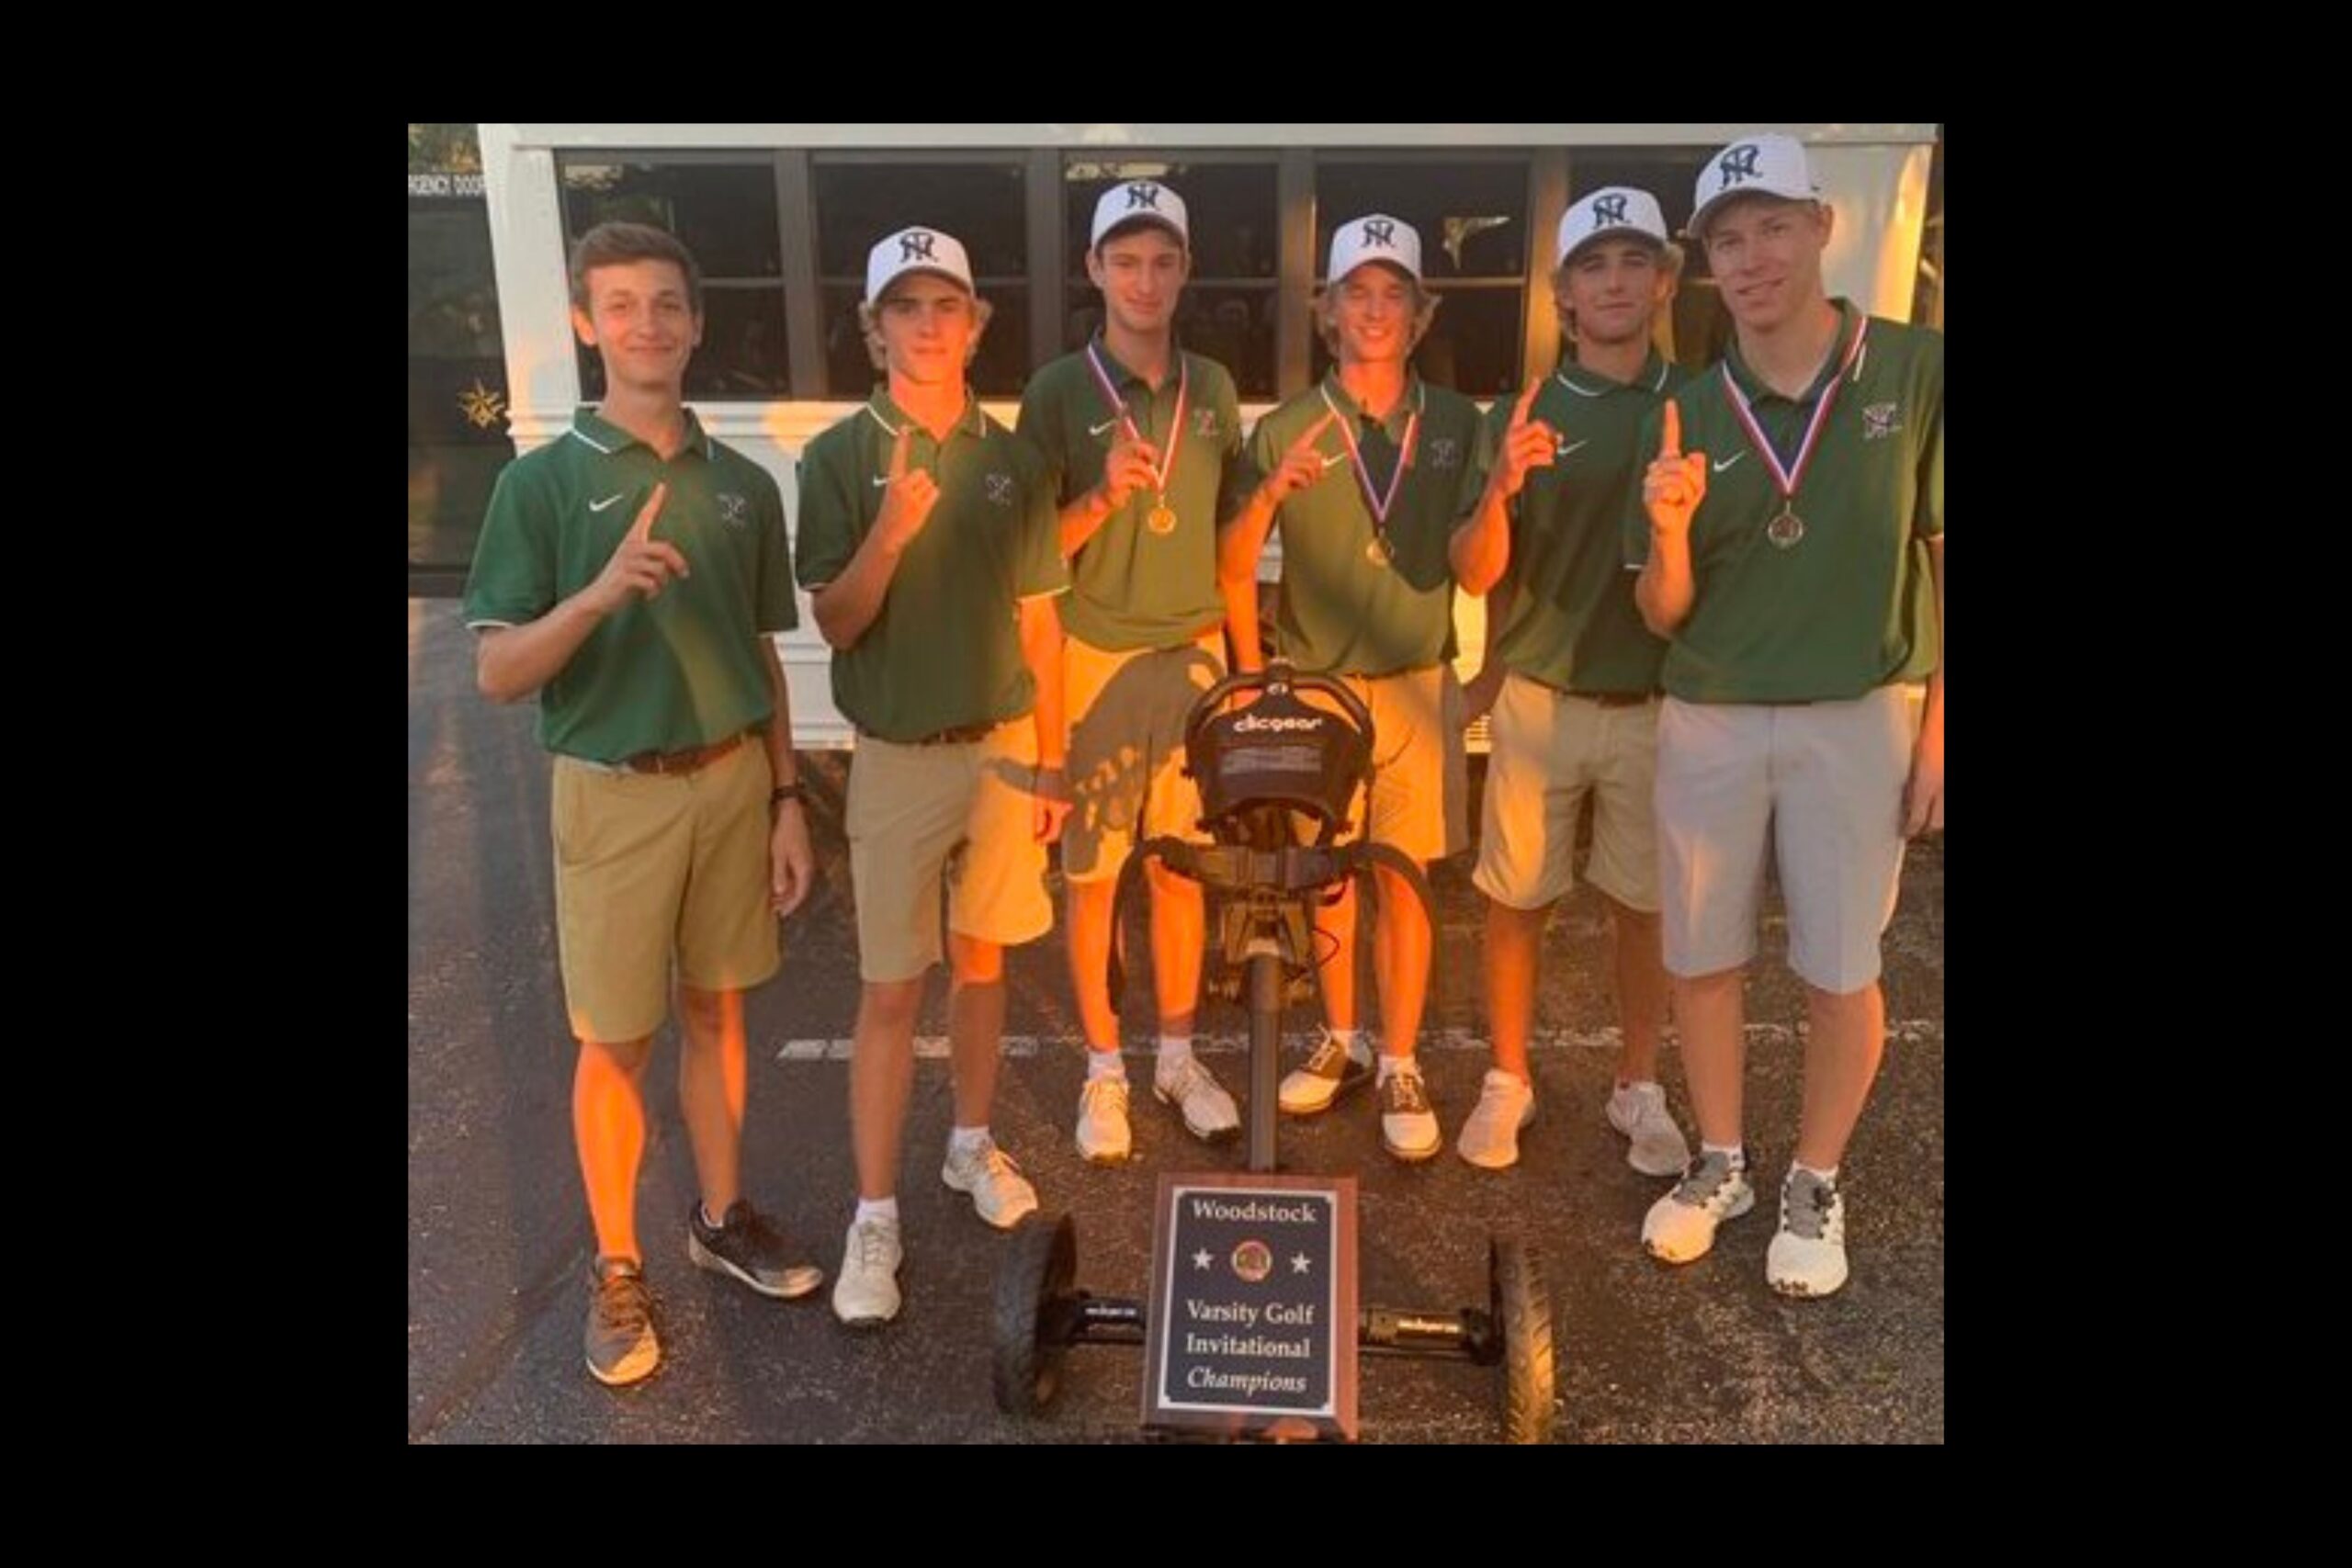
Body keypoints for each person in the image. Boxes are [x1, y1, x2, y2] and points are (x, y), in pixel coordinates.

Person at [463, 220, 821, 1387]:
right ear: (586, 324)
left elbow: (760, 656)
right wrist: (597, 596)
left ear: (697, 322)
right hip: (612, 792)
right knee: (615, 1040)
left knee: (716, 1012)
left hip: (729, 781)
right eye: (620, 305)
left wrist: (785, 798)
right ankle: (617, 1268)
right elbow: (497, 671)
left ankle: (719, 1217)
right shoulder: (540, 483)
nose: (647, 324)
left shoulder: (739, 486)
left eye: (667, 303)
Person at [1629, 134, 1943, 1297]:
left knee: (1839, 968)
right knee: (1702, 956)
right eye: (1727, 239)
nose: (1752, 257)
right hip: (1709, 712)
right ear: (1705, 264)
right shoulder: (1687, 405)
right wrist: (1668, 532)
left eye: (1771, 227)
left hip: (1854, 713)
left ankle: (1814, 1178)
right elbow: (1661, 613)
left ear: (1820, 227)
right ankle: (1720, 1159)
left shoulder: (1913, 368)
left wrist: (1939, 735)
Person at [794, 225, 1074, 1327]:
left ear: (973, 324)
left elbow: (1041, 624)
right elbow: (837, 621)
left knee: (984, 960)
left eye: (944, 305)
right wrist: (889, 535)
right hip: (898, 756)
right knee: (888, 988)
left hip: (1001, 749)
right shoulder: (837, 456)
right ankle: (874, 1215)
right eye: (903, 307)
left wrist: (1053, 759)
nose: (925, 324)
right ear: (874, 330)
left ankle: (969, 1141)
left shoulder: (1011, 459)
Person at [1216, 214, 1483, 1163]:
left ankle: (1400, 1058)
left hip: (1414, 679)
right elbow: (1231, 564)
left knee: (1404, 881)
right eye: (1356, 294)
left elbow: (1487, 559)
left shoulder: (1456, 423)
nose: (1374, 311)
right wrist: (1250, 679)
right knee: (1327, 880)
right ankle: (1341, 1037)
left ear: (1420, 314)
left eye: (1393, 294)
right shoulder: (1287, 426)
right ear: (1327, 312)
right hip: (1318, 688)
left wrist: (1487, 670)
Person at [1449, 186, 1694, 1177]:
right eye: (1594, 266)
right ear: (1563, 294)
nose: (1615, 283)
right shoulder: (1526, 411)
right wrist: (1502, 485)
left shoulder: (1696, 402)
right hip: (1541, 695)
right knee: (1517, 900)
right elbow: (1474, 571)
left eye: (1635, 262)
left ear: (1665, 282)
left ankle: (1638, 1082)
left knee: (1643, 907)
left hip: (1655, 701)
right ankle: (1508, 1075)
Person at [1015, 180, 1259, 1165]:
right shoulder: (1055, 392)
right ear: (1094, 270)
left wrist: (1246, 673)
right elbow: (1028, 556)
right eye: (1125, 261)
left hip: (1193, 653)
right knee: (1095, 877)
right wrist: (1102, 499)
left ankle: (1177, 1058)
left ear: (1185, 270)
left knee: (1180, 871)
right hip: (1095, 652)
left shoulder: (1215, 388)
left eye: (1162, 261)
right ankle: (1104, 1068)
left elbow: (1233, 545)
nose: (1144, 280)